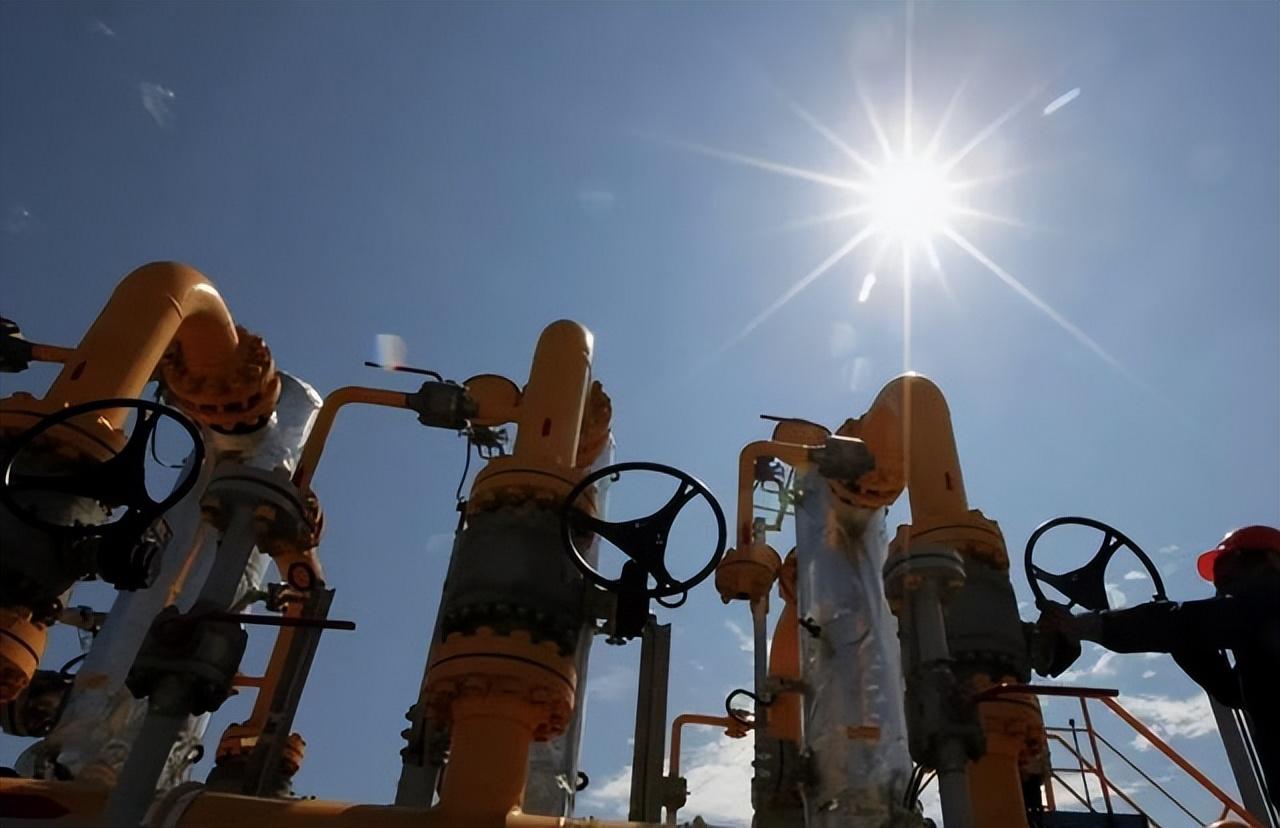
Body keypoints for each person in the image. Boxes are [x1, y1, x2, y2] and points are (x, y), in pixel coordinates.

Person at [1035, 525, 1280, 807]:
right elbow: (1230, 691)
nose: (1221, 581)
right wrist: (1179, 641)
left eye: (1230, 566)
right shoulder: (1259, 643)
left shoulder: (1269, 602)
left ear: (1273, 560)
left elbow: (1188, 623)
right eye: (1219, 573)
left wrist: (1087, 624)